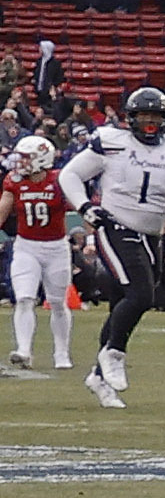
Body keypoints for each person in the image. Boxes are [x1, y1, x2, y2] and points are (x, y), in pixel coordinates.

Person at [59, 86, 165, 411]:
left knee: (121, 305)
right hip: (115, 226)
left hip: (151, 234)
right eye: (143, 116)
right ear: (131, 118)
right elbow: (69, 174)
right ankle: (113, 354)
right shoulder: (112, 143)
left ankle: (99, 377)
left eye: (155, 116)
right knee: (142, 295)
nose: (150, 122)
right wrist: (85, 208)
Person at [5, 132, 74, 371]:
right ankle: (24, 351)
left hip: (56, 248)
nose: (20, 162)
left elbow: (82, 204)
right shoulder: (13, 181)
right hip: (26, 246)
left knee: (57, 302)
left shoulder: (60, 180)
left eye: (26, 157)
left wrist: (91, 238)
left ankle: (62, 353)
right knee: (24, 298)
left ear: (41, 158)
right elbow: (3, 210)